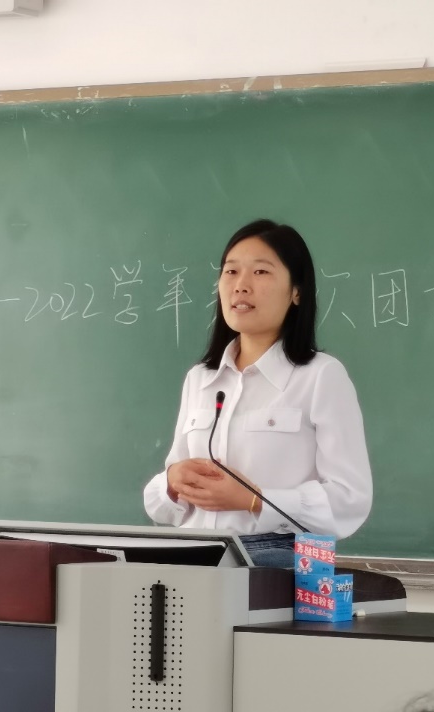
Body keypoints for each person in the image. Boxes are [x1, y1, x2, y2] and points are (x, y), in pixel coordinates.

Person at [143, 219, 373, 567]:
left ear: (297, 292)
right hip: (193, 558)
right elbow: (162, 507)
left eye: (261, 272)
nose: (241, 285)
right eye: (231, 271)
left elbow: (349, 499)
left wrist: (255, 500)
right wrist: (173, 483)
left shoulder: (321, 376)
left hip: (273, 563)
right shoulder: (200, 379)